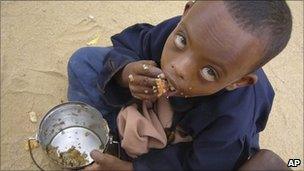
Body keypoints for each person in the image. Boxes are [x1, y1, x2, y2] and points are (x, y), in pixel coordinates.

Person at [67, 1, 292, 170]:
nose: (178, 68)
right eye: (182, 41)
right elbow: (135, 43)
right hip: (155, 108)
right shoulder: (185, 29)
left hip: (183, 142)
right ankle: (108, 132)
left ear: (238, 82)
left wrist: (132, 169)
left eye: (209, 72)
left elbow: (197, 166)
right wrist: (126, 72)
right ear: (188, 12)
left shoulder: (234, 123)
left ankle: (129, 154)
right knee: (83, 62)